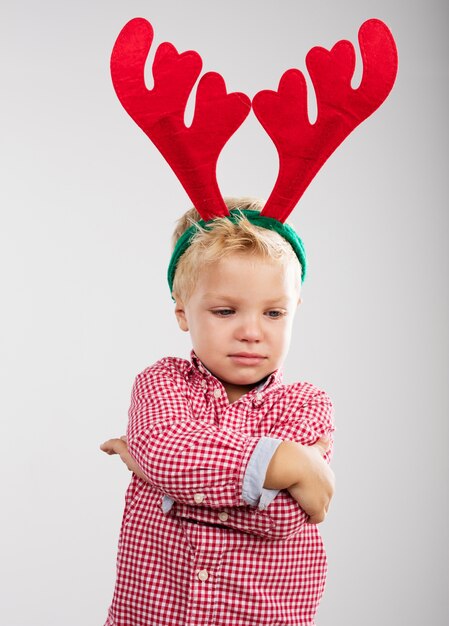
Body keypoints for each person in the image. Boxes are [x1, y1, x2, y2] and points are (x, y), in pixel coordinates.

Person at [101, 197, 335, 626]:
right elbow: (168, 453)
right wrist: (286, 463)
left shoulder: (305, 403)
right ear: (182, 312)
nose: (251, 332)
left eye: (274, 313)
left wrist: (154, 475)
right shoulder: (162, 382)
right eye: (225, 311)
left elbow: (285, 516)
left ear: (294, 312)